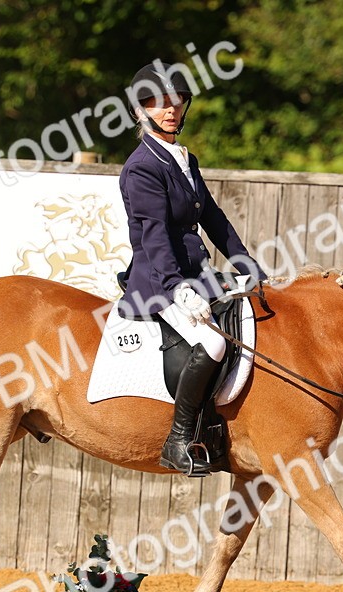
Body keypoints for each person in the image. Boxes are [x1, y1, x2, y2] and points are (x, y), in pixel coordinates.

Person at [117, 59, 265, 476]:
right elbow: (155, 235)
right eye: (158, 102)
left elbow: (214, 218)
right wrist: (177, 287)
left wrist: (246, 265)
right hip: (157, 281)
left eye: (177, 100)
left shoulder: (184, 159)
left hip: (197, 276)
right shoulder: (142, 166)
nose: (170, 109)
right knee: (215, 343)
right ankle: (179, 440)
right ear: (139, 110)